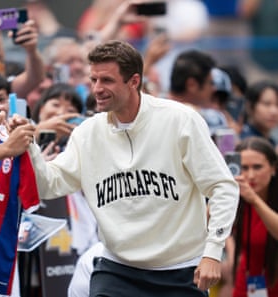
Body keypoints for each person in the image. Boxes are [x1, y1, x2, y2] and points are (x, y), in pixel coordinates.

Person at [22, 40, 239, 296]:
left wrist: (213, 252)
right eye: (93, 80)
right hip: (117, 269)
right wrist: (29, 144)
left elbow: (223, 187)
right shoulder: (88, 132)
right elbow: (48, 185)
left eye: (107, 80)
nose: (97, 89)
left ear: (134, 81)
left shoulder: (180, 120)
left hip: (180, 271)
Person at [232, 136, 278, 297]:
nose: (250, 175)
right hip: (249, 280)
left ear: (273, 168)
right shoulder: (237, 198)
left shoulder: (251, 198)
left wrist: (254, 200)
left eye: (257, 167)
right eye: (244, 168)